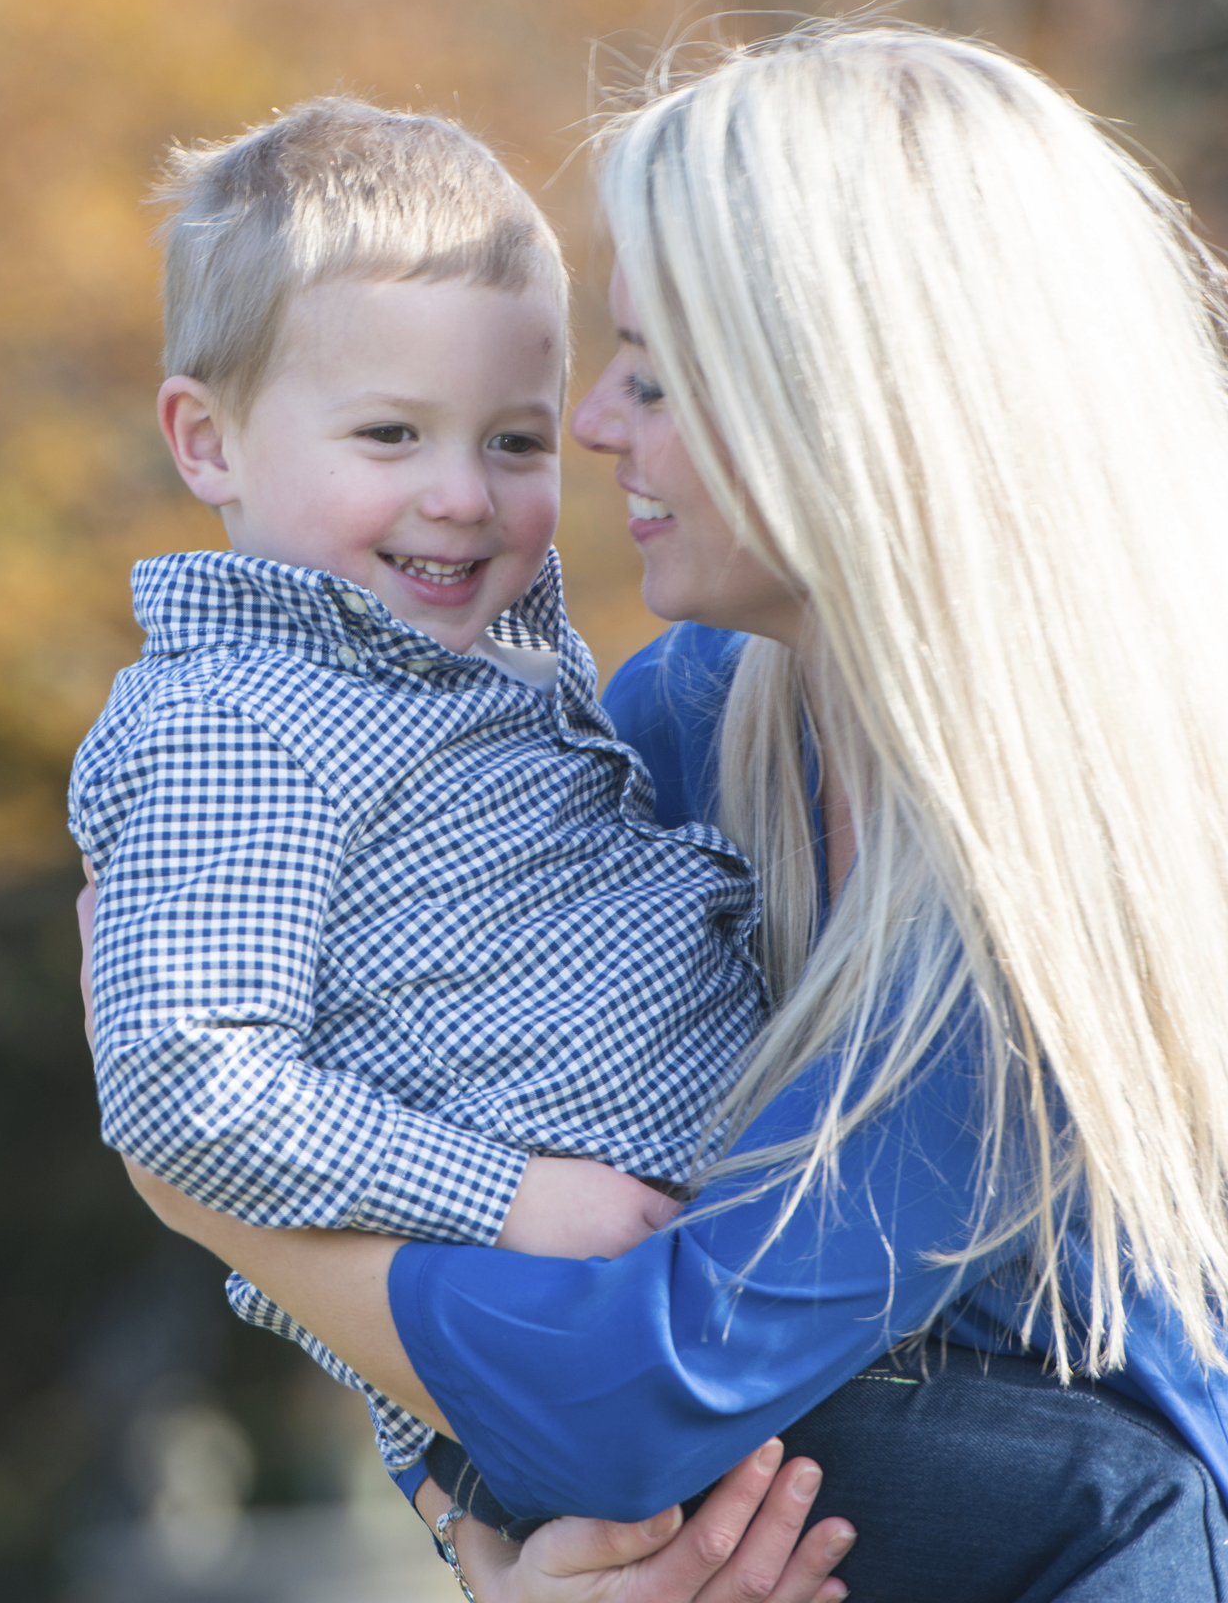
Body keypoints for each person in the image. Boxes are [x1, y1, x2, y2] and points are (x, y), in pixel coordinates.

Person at [120, 28, 1228, 1602]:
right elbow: (473, 1176)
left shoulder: (1047, 876)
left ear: (854, 414)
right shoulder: (692, 718)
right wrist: (498, 1554)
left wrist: (205, 1200)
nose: (597, 424)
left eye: (658, 373)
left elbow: (642, 1390)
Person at [74, 97, 841, 1588]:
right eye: (389, 436)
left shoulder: (503, 666)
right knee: (1095, 1489)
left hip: (691, 1307)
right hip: (574, 1336)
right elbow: (184, 1081)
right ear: (207, 439)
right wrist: (511, 1205)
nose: (462, 496)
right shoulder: (240, 721)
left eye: (514, 440)